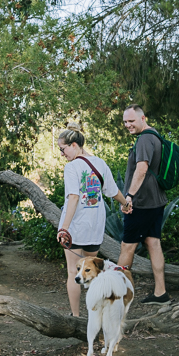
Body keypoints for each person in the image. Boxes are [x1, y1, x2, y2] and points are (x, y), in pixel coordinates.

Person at [55, 126, 129, 316]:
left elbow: (73, 197)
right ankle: (96, 313)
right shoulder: (100, 163)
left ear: (73, 145)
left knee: (74, 272)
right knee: (93, 272)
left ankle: (76, 316)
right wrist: (126, 205)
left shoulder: (72, 167)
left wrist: (64, 228)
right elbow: (113, 191)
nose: (62, 154)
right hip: (95, 226)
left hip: (75, 227)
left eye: (62, 149)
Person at [118, 105, 171, 304]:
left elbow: (141, 169)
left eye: (131, 121)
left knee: (127, 247)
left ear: (143, 118)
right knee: (153, 243)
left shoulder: (145, 139)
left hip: (140, 203)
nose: (127, 125)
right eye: (125, 121)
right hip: (156, 201)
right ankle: (160, 293)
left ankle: (118, 295)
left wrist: (129, 196)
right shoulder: (155, 136)